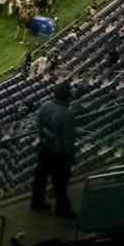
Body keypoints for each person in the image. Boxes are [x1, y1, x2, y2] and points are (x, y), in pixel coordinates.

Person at [31, 82, 77, 218]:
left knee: (40, 178)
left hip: (45, 148)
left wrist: (43, 140)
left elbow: (38, 124)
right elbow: (67, 140)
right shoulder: (66, 114)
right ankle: (62, 209)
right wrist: (70, 156)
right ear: (67, 96)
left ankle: (37, 202)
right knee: (60, 183)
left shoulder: (45, 105)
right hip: (59, 154)